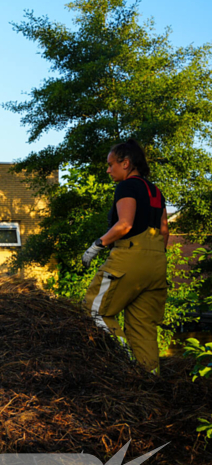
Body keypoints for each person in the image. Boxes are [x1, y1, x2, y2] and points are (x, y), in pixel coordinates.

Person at [82, 140, 169, 373]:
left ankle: (126, 364)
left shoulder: (127, 187)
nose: (108, 170)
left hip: (130, 257)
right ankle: (150, 381)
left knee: (93, 311)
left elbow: (125, 225)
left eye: (111, 164)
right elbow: (164, 231)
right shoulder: (156, 192)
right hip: (157, 263)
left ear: (126, 163)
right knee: (143, 327)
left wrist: (96, 246)